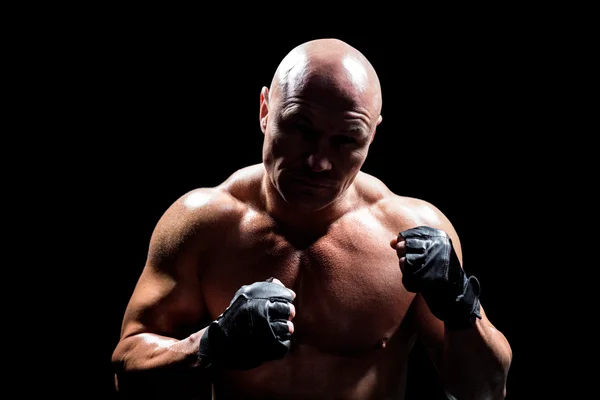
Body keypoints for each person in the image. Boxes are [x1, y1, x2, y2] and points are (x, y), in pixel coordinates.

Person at [111, 38, 513, 400]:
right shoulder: (203, 225)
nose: (318, 162)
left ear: (372, 137)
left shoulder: (408, 228)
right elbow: (127, 372)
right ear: (266, 111)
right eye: (300, 128)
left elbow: (486, 390)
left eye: (345, 141)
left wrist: (461, 304)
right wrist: (211, 344)